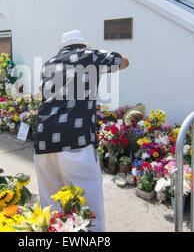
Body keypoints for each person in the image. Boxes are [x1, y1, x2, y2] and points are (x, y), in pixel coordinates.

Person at [34, 30, 129, 232]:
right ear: (82, 45)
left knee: (52, 206)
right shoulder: (90, 56)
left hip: (43, 139)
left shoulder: (49, 63)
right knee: (88, 205)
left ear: (62, 47)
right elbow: (123, 61)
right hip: (75, 140)